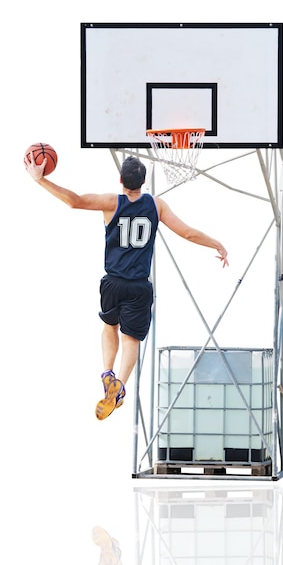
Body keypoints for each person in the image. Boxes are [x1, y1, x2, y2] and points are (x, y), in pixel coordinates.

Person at [24, 153, 228, 420]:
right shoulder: (156, 206)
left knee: (110, 326)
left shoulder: (111, 202)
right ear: (143, 182)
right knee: (130, 338)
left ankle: (107, 372)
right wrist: (216, 244)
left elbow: (73, 201)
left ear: (120, 179)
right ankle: (120, 384)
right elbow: (187, 232)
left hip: (112, 282)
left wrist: (40, 180)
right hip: (139, 286)